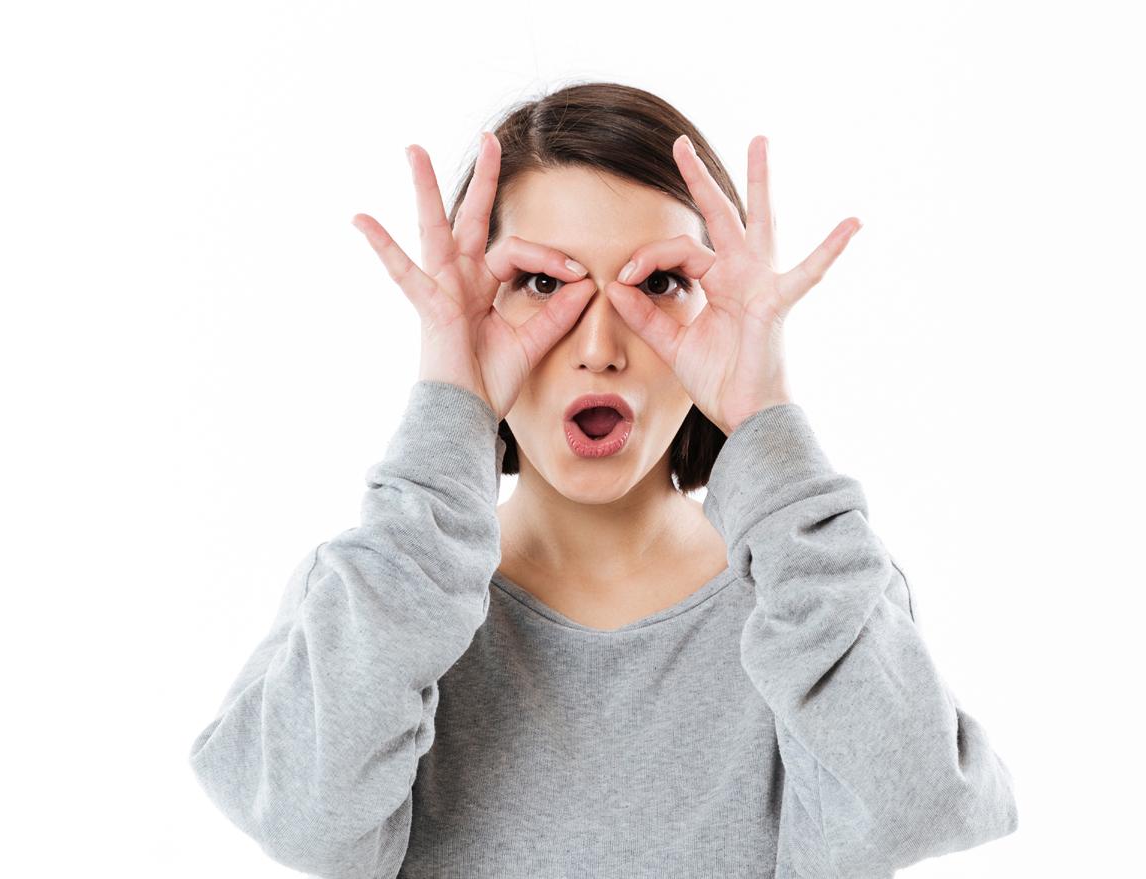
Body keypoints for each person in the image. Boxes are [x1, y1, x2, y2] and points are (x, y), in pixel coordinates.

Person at [188, 81, 1018, 878]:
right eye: (541, 284)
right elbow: (302, 821)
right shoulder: (385, 589)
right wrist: (448, 411)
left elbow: (916, 809)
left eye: (658, 284)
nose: (598, 347)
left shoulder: (809, 593)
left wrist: (763, 419)